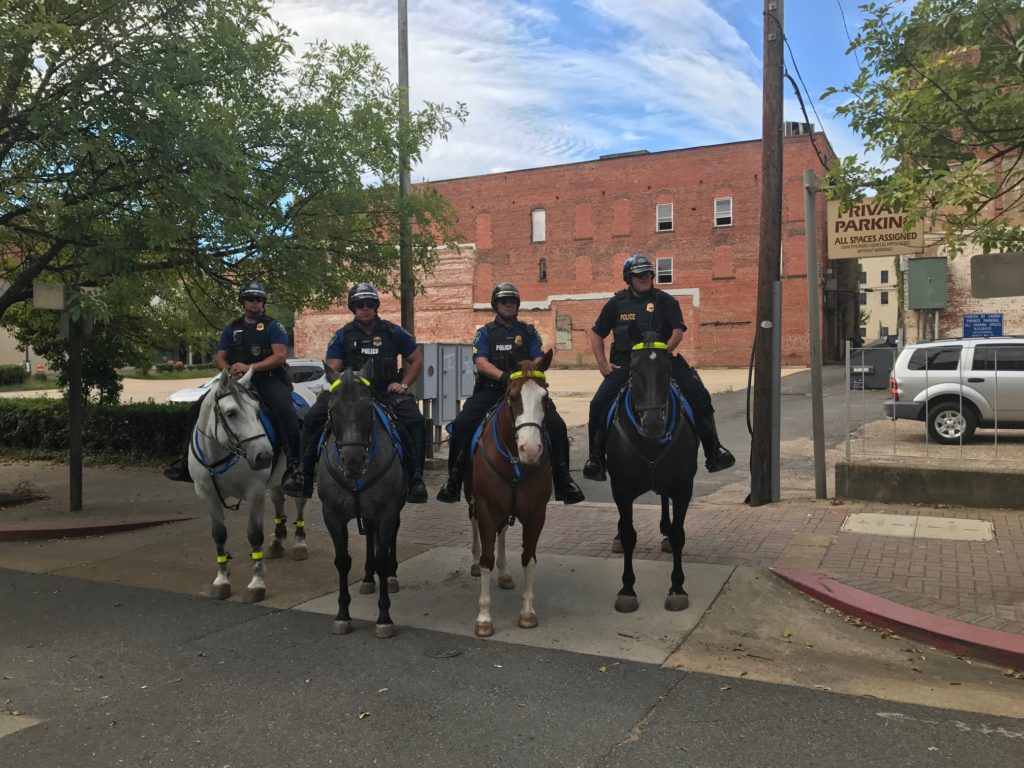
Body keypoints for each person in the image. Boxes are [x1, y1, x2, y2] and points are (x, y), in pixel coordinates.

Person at [582, 253, 735, 481]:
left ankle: (713, 451)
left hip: (663, 361)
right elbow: (596, 333)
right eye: (638, 275)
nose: (644, 278)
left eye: (647, 274)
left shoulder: (666, 300)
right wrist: (602, 363)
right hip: (628, 363)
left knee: (699, 395)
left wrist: (664, 351)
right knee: (598, 403)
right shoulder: (616, 304)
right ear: (628, 278)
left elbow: (677, 332)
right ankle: (596, 459)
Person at [436, 282, 585, 505]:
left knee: (557, 425)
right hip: (492, 390)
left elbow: (537, 358)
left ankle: (564, 480)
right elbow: (481, 362)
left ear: (517, 305)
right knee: (463, 425)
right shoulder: (484, 333)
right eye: (504, 301)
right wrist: (505, 377)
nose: (508, 304)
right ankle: (454, 480)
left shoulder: (528, 331)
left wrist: (527, 374)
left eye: (512, 301)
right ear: (495, 305)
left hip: (525, 391)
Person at [282, 283, 428, 503]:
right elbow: (333, 366)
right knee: (312, 418)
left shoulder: (393, 331)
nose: (365, 308)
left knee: (416, 421)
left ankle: (416, 479)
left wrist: (404, 385)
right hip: (350, 394)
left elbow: (416, 360)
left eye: (370, 304)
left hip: (386, 391)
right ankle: (303, 474)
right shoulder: (342, 336)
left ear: (376, 306)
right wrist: (346, 382)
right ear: (353, 308)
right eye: (360, 305)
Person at [163, 280, 301, 484]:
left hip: (267, 380)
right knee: (197, 409)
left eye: (259, 299)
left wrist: (249, 368)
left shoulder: (273, 326)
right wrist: (228, 370)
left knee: (285, 412)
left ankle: (295, 466)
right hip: (235, 381)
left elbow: (279, 356)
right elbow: (219, 357)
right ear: (242, 302)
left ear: (263, 303)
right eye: (250, 299)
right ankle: (185, 461)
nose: (255, 303)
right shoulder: (232, 328)